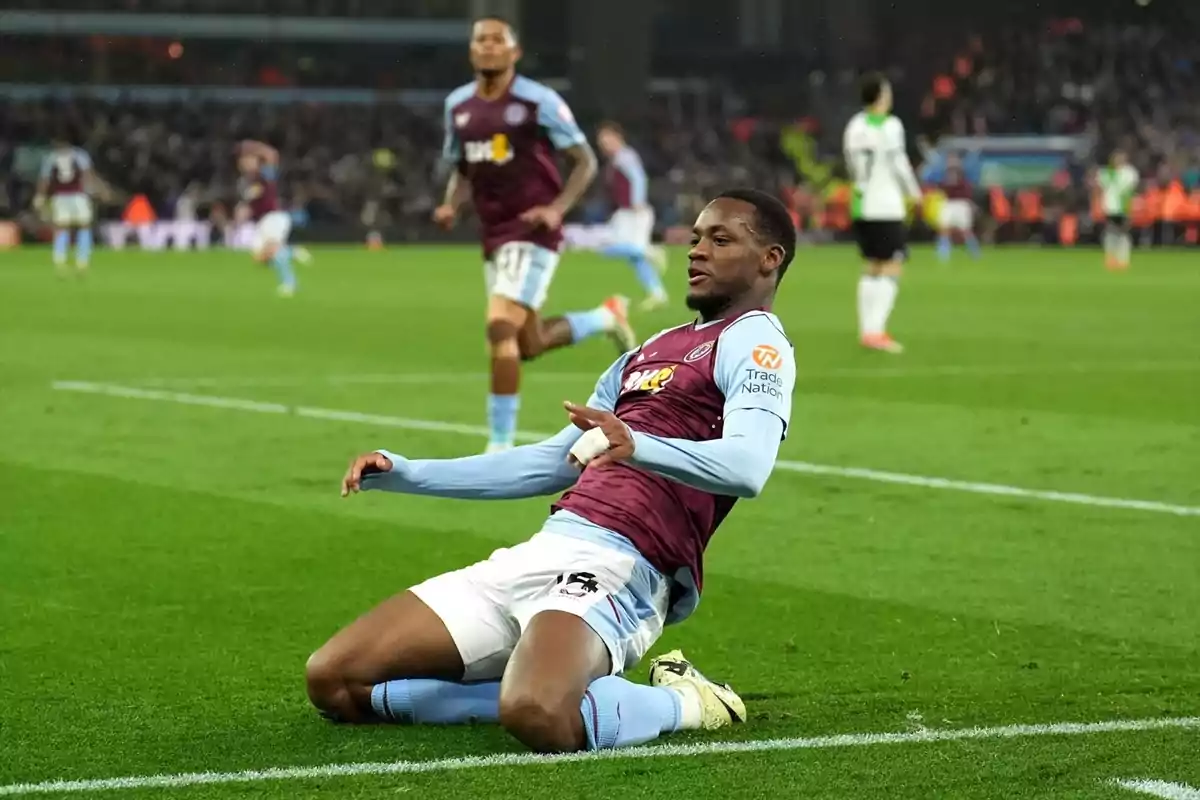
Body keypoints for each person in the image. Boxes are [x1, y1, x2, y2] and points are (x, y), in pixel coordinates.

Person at [307, 189, 797, 754]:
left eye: (720, 239)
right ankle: (545, 679)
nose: (696, 251)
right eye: (694, 238)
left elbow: (748, 465)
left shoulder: (756, 340)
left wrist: (636, 444)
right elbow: (551, 462)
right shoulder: (652, 349)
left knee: (538, 714)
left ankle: (688, 702)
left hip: (624, 567)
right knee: (335, 681)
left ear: (769, 259)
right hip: (543, 550)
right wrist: (409, 473)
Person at [433, 16, 638, 454]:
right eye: (480, 40)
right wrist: (452, 204)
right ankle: (606, 318)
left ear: (514, 52)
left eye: (497, 40)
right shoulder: (458, 106)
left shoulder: (538, 101)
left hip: (532, 231)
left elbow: (584, 160)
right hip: (493, 235)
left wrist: (556, 208)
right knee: (528, 342)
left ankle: (499, 446)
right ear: (472, 51)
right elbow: (463, 168)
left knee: (498, 326)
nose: (488, 46)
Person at [843, 72, 922, 354]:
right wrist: (914, 193)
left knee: (872, 265)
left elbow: (853, 166)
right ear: (880, 97)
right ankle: (875, 331)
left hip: (861, 203)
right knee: (892, 265)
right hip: (886, 205)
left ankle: (867, 330)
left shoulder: (854, 126)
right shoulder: (890, 126)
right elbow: (898, 163)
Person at [593, 121, 669, 310]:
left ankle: (650, 252)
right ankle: (657, 294)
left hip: (633, 212)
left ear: (617, 137)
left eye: (606, 139)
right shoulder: (617, 159)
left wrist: (637, 200)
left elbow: (638, 178)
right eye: (600, 141)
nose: (603, 144)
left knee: (609, 249)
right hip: (625, 212)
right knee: (634, 258)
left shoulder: (625, 156)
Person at [235, 140, 311, 297]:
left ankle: (290, 284)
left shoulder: (264, 175)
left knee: (273, 249)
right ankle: (291, 251)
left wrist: (253, 146)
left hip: (274, 217)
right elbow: (252, 203)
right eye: (243, 161)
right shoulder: (246, 182)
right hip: (262, 222)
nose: (246, 164)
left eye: (249, 160)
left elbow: (272, 154)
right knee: (259, 258)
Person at [34, 138, 94, 276]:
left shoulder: (51, 157)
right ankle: (79, 260)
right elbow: (87, 173)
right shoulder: (79, 155)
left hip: (63, 196)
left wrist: (40, 196)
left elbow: (44, 179)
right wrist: (90, 189)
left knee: (65, 226)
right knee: (78, 226)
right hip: (75, 195)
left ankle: (62, 258)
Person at [1096, 150, 1139, 271]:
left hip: (1124, 207)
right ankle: (1110, 258)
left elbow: (1131, 188)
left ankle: (1123, 259)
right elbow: (1100, 186)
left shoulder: (1129, 172)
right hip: (1110, 207)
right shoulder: (1105, 172)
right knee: (1111, 232)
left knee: (1123, 233)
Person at [936, 155, 981, 261]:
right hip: (949, 203)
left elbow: (968, 191)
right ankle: (943, 253)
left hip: (961, 204)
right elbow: (942, 189)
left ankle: (975, 252)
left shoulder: (964, 178)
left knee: (965, 230)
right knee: (944, 228)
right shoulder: (944, 177)